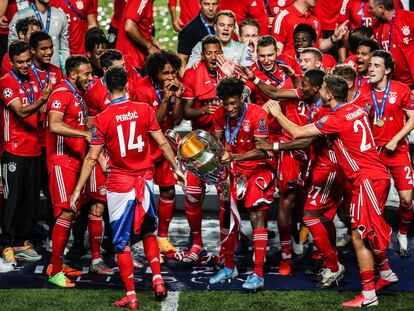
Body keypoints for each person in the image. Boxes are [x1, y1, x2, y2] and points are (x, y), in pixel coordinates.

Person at [267, 75, 395, 307]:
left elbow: (297, 132)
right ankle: (385, 273)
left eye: (323, 89)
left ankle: (368, 295)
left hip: (366, 179)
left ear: (327, 94)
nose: (320, 92)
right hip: (374, 176)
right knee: (369, 230)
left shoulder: (336, 118)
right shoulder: (356, 110)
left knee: (359, 235)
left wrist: (277, 114)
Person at [70, 66, 185, 308]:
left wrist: (79, 189)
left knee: (121, 243)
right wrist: (177, 168)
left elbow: (92, 158)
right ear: (128, 86)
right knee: (147, 233)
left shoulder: (102, 118)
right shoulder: (143, 109)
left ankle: (131, 296)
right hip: (144, 181)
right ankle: (158, 281)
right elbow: (163, 142)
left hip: (120, 184)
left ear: (106, 88)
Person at [209, 77, 274, 292]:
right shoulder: (220, 114)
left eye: (233, 103)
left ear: (242, 98)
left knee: (257, 215)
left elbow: (263, 150)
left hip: (257, 168)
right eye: (225, 103)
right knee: (225, 214)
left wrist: (235, 157)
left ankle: (258, 273)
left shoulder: (258, 114)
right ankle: (229, 266)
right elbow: (218, 143)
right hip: (233, 169)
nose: (229, 108)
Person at [0, 41, 52, 265]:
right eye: (19, 62)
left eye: (27, 61)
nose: (24, 65)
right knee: (11, 200)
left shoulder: (33, 81)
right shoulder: (5, 82)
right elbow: (20, 111)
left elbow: (41, 110)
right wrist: (43, 99)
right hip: (13, 150)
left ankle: (21, 243)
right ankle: (5, 245)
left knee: (29, 201)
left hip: (34, 149)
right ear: (11, 62)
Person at [46, 55, 93, 287]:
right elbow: (54, 124)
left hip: (75, 162)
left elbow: (81, 122)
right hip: (62, 162)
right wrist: (85, 134)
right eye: (86, 74)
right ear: (73, 74)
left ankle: (57, 262)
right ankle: (55, 269)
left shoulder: (76, 94)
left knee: (72, 213)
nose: (90, 78)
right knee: (65, 213)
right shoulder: (61, 93)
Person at [362, 50, 414, 257]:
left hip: (398, 151)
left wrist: (395, 139)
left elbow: (412, 118)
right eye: (370, 65)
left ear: (388, 70)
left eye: (376, 66)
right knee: (377, 202)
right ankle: (379, 239)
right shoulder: (362, 92)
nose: (371, 69)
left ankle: (402, 232)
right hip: (375, 155)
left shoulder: (401, 89)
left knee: (406, 200)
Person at [182, 35, 228, 262]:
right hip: (199, 143)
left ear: (222, 52)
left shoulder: (230, 71)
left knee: (225, 197)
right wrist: (203, 110)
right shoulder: (191, 74)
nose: (213, 57)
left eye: (216, 52)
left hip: (224, 142)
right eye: (208, 53)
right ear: (203, 55)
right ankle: (197, 243)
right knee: (191, 195)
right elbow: (184, 112)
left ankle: (225, 248)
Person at [135, 51, 183, 259]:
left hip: (165, 146)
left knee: (168, 192)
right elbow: (150, 124)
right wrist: (165, 99)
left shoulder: (176, 84)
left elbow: (178, 120)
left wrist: (178, 99)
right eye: (165, 73)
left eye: (173, 72)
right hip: (144, 146)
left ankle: (162, 237)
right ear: (155, 73)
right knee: (143, 196)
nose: (171, 77)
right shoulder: (142, 88)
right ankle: (143, 240)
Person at [28, 30, 63, 252]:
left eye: (50, 47)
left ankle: (54, 237)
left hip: (51, 145)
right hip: (30, 144)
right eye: (43, 49)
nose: (49, 52)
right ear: (32, 51)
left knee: (53, 195)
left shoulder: (57, 73)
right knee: (29, 195)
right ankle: (24, 240)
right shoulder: (24, 73)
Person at [271, 0, 349, 56]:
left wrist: (334, 38)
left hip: (312, 70)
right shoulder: (283, 17)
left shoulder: (315, 19)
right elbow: (277, 52)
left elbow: (319, 46)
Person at [8, 0, 69, 70]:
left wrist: (65, 72)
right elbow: (11, 49)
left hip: (54, 74)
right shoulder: (19, 16)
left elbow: (64, 50)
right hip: (28, 74)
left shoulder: (61, 15)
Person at [187, 10, 253, 69]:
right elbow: (188, 73)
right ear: (215, 27)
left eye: (230, 25)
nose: (226, 28)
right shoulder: (200, 46)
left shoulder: (243, 49)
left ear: (234, 29)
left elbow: (247, 76)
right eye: (222, 25)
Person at [369, 0, 414, 87]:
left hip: (411, 84)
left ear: (381, 8)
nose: (369, 11)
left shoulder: (408, 17)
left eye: (371, 8)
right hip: (391, 84)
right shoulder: (376, 27)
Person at [116, 0, 161, 73]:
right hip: (131, 61)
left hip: (137, 61)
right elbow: (130, 27)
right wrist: (150, 46)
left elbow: (140, 26)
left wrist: (152, 41)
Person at [177, 0, 218, 68]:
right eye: (206, 4)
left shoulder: (225, 26)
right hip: (199, 75)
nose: (211, 8)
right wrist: (185, 78)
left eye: (214, 4)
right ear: (199, 4)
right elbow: (182, 60)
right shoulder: (188, 31)